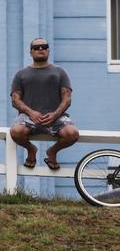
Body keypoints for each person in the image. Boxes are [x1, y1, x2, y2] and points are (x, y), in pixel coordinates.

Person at [9, 37, 79, 170]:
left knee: (72, 134)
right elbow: (15, 100)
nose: (40, 49)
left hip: (56, 117)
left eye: (44, 46)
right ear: (31, 52)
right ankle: (31, 150)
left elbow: (67, 98)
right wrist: (31, 113)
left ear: (48, 50)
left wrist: (55, 114)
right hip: (28, 118)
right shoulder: (21, 74)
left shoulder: (60, 72)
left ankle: (52, 152)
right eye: (36, 47)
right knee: (16, 132)